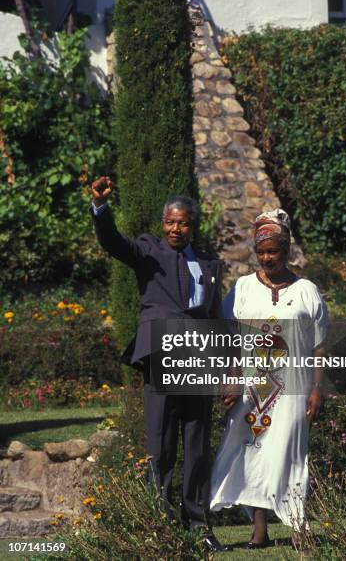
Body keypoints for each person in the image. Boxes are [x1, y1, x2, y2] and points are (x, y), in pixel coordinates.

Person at [90, 176, 231, 553]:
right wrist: (101, 210)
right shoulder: (147, 251)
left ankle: (199, 524)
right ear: (162, 222)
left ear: (192, 225)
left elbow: (217, 318)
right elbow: (113, 242)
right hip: (162, 354)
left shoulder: (208, 264)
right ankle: (159, 522)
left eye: (182, 222)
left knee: (198, 445)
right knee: (161, 443)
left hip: (199, 359)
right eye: (169, 221)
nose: (175, 227)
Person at [210, 208, 328, 550]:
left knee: (289, 453)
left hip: (293, 390)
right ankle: (259, 532)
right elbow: (229, 340)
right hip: (251, 388)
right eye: (261, 252)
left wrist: (316, 390)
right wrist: (230, 379)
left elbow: (319, 347)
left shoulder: (307, 290)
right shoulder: (243, 289)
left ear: (286, 250)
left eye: (273, 251)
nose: (266, 258)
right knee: (253, 453)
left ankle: (297, 529)